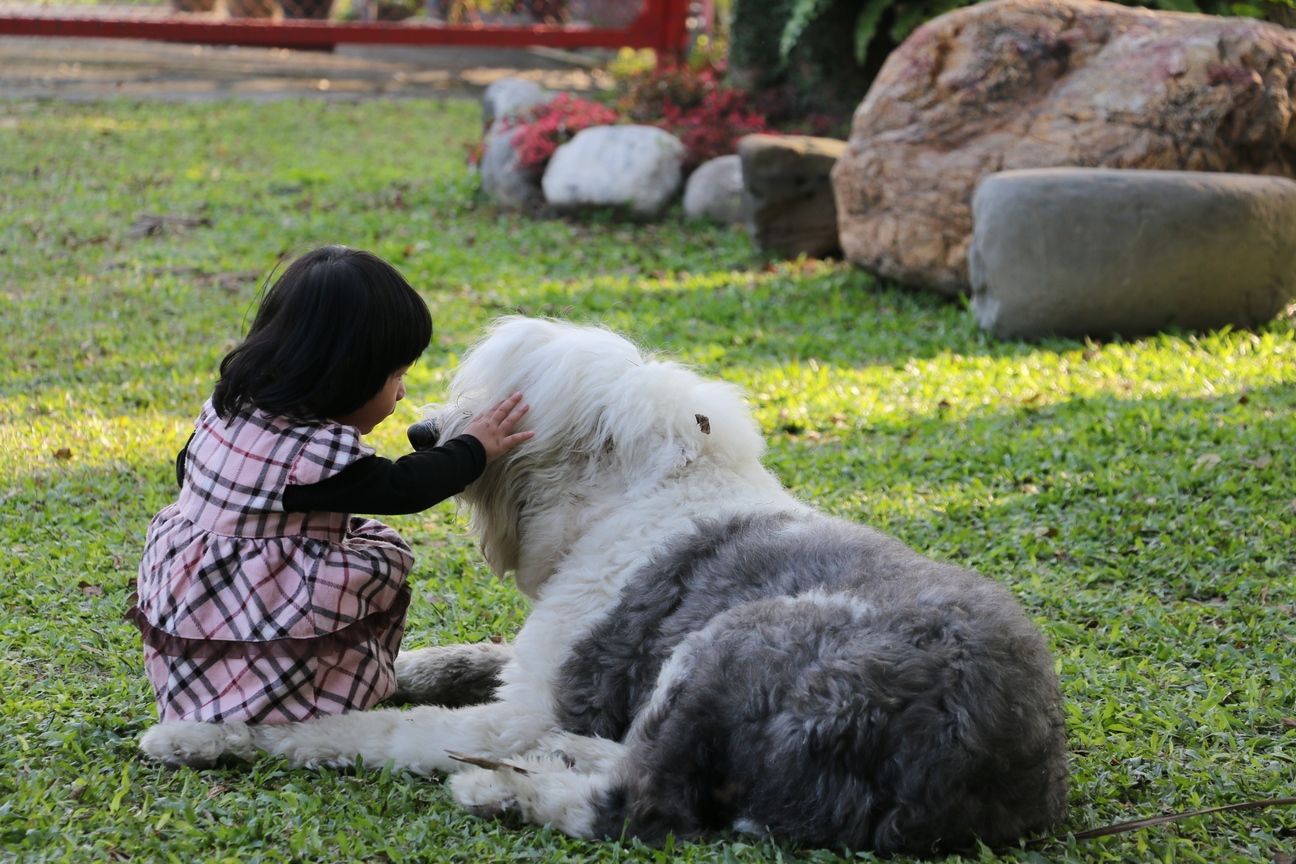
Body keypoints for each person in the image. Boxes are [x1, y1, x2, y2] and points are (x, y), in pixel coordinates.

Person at [127, 245, 531, 725]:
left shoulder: (230, 409)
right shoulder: (309, 457)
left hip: (195, 602)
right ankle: (292, 704)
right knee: (314, 605)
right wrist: (474, 447)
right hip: (261, 607)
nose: (401, 392)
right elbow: (402, 487)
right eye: (396, 376)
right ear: (345, 375)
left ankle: (213, 695)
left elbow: (190, 472)